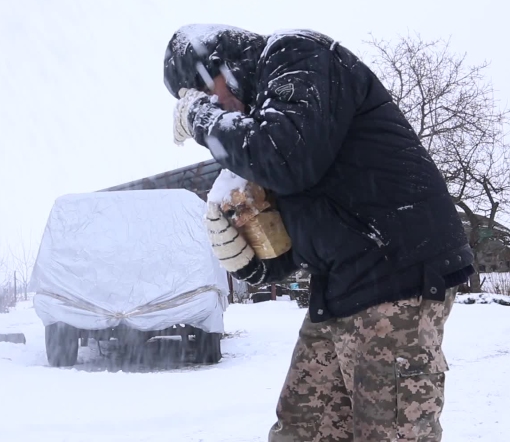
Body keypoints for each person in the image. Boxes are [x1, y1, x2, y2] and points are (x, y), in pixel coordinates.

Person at [164, 25, 475, 441]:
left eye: (204, 93)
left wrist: (199, 119)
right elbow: (297, 240)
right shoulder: (266, 123)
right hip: (339, 289)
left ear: (223, 64)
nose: (212, 106)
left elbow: (285, 160)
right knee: (302, 431)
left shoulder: (295, 54)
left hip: (397, 272)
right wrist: (250, 262)